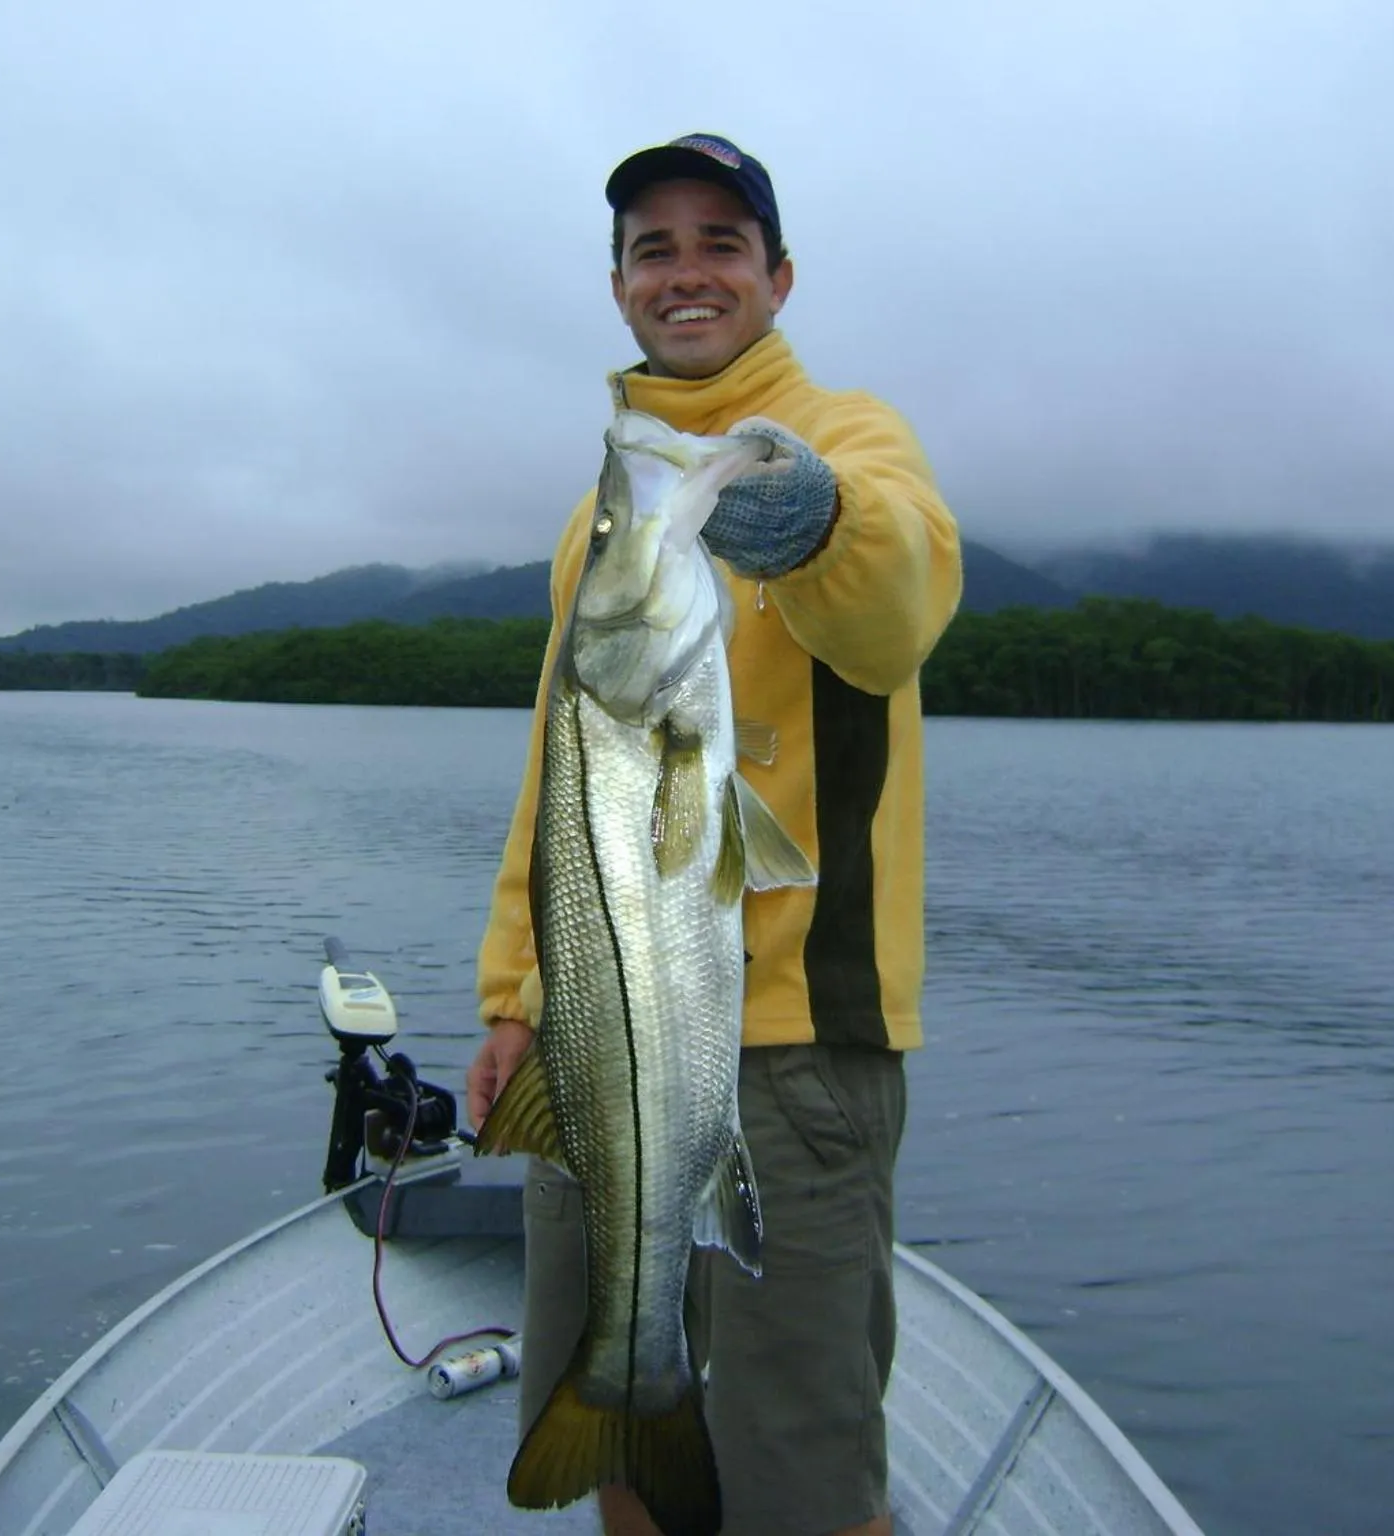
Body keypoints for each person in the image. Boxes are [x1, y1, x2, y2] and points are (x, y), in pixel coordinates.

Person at [467, 132, 963, 1536]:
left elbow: (902, 599)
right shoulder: (599, 525)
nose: (686, 272)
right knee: (626, 1434)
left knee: (804, 1467)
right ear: (619, 287)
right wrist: (516, 996)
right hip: (594, 1038)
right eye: (653, 248)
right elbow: (555, 785)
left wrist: (812, 523)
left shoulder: (851, 443)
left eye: (720, 242)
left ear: (778, 276)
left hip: (802, 1046)